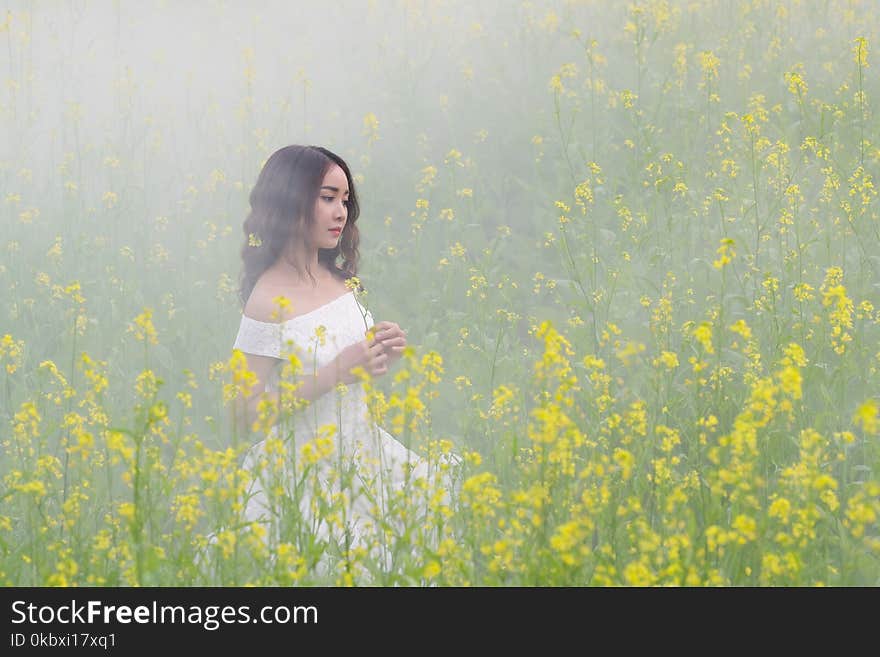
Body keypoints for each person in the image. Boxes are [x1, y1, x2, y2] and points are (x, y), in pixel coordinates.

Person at [228, 145, 457, 578]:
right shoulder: (266, 298)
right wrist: (337, 372)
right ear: (291, 200)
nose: (341, 213)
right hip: (307, 477)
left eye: (345, 200)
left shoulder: (337, 278)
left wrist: (378, 347)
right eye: (327, 197)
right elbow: (243, 414)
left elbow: (350, 360)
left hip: (366, 456)